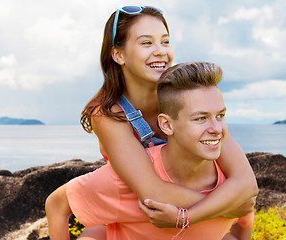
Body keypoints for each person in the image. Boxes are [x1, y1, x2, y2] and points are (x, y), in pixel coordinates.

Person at [45, 6, 258, 240]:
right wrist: (229, 207)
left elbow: (245, 180)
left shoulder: (184, 96)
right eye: (147, 43)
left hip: (175, 213)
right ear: (118, 55)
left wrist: (200, 213)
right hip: (130, 212)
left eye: (165, 42)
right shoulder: (107, 113)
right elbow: (152, 191)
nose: (160, 52)